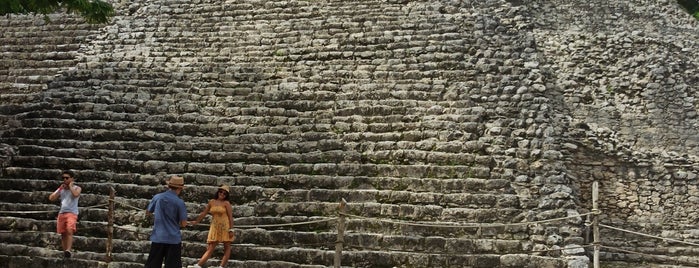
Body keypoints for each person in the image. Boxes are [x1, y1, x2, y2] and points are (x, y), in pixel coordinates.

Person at [144, 176, 189, 268]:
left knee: (152, 264)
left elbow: (148, 212)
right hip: (173, 238)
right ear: (180, 188)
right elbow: (183, 223)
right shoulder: (179, 202)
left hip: (158, 236)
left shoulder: (157, 197)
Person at [188, 185, 235, 268]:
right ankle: (199, 265)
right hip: (215, 226)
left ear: (226, 195)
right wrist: (197, 221)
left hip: (225, 226)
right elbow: (204, 213)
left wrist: (231, 229)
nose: (222, 194)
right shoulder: (212, 202)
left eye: (224, 193)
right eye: (221, 192)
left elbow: (230, 217)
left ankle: (221, 266)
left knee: (227, 246)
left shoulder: (226, 203)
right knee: (211, 247)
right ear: (218, 192)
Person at [48, 170, 82, 258]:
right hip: (62, 213)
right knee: (63, 233)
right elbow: (51, 198)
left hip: (72, 213)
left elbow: (75, 194)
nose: (65, 180)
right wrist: (59, 189)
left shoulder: (77, 188)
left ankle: (68, 249)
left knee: (69, 230)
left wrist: (70, 187)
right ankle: (65, 252)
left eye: (67, 178)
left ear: (71, 178)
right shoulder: (61, 189)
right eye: (63, 178)